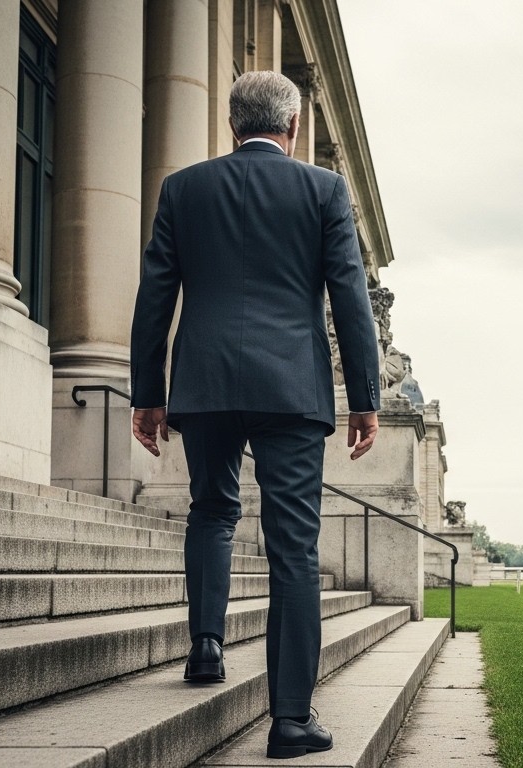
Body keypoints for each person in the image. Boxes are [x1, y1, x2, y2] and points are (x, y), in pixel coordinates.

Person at [129, 71, 381, 760]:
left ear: (232, 124)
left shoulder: (183, 189)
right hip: (291, 387)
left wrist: (146, 392)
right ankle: (291, 720)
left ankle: (207, 646)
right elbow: (349, 300)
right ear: (293, 127)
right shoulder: (324, 190)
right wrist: (364, 397)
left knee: (210, 510)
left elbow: (155, 296)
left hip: (205, 381)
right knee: (292, 546)